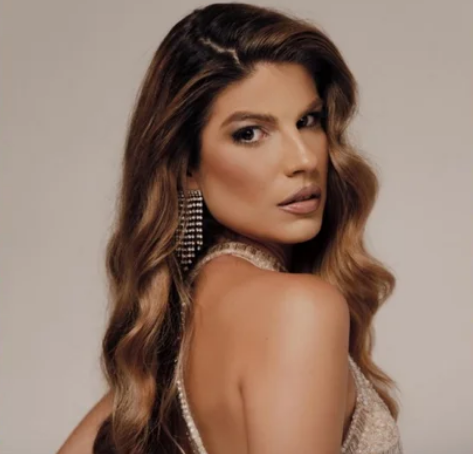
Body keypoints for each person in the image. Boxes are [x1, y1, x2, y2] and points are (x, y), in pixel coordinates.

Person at [57, 2, 404, 454]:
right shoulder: (299, 310)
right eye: (250, 133)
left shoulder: (164, 344)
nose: (303, 158)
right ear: (187, 167)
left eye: (307, 121)